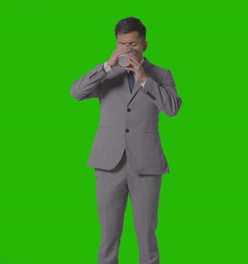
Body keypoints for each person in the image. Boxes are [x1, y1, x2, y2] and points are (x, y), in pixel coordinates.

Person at [71, 17, 182, 264]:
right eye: (122, 44)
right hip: (109, 164)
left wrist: (143, 78)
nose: (128, 49)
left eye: (133, 44)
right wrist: (107, 66)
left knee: (146, 237)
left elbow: (173, 108)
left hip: (146, 164)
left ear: (144, 45)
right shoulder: (107, 75)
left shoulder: (161, 75)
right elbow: (77, 92)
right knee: (108, 237)